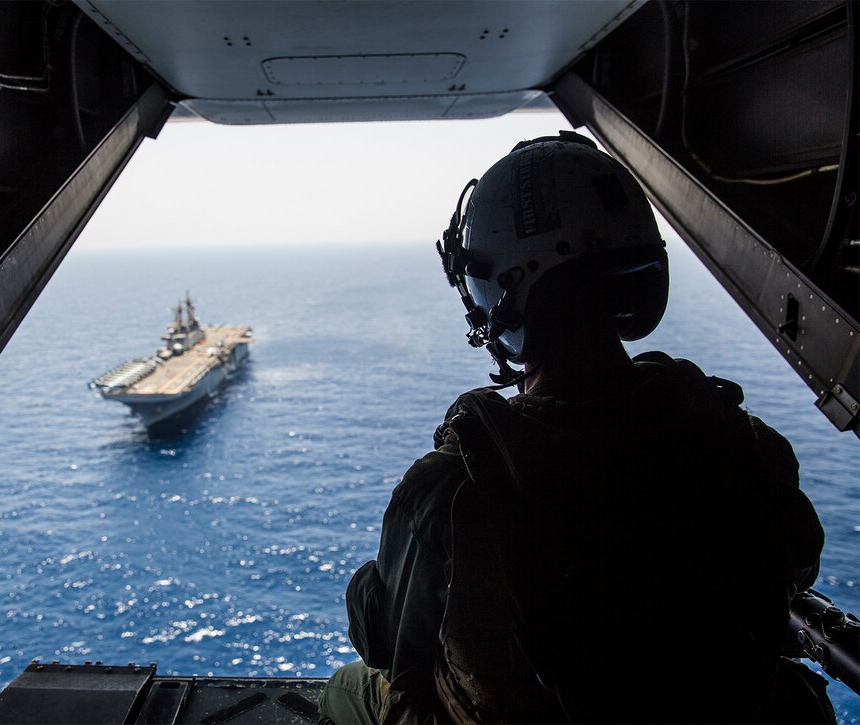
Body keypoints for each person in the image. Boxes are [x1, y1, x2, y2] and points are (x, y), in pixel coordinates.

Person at [318, 132, 831, 724]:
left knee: (349, 688)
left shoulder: (451, 488)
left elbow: (384, 642)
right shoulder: (748, 443)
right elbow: (795, 565)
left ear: (498, 288)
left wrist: (369, 584)